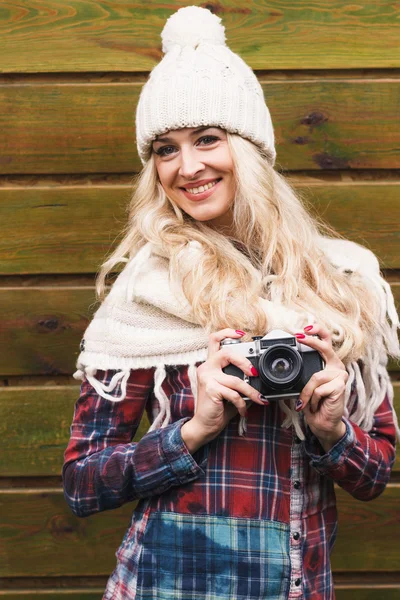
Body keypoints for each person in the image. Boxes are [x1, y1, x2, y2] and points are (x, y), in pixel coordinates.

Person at [62, 6, 399, 600]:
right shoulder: (145, 292)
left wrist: (331, 430)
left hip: (300, 586)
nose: (187, 167)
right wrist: (192, 430)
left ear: (247, 147)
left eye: (208, 139)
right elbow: (84, 484)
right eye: (165, 149)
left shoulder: (342, 282)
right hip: (169, 587)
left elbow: (375, 476)